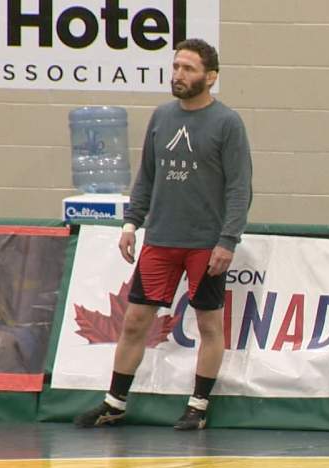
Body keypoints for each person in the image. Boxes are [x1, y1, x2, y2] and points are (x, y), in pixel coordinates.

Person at [74, 39, 252, 431]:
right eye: (175, 67)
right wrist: (130, 223)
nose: (178, 75)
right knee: (135, 319)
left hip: (205, 243)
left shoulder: (227, 123)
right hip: (161, 239)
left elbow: (240, 189)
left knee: (208, 324)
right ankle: (114, 401)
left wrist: (227, 241)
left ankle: (198, 406)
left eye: (188, 68)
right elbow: (147, 177)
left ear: (211, 77)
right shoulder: (161, 118)